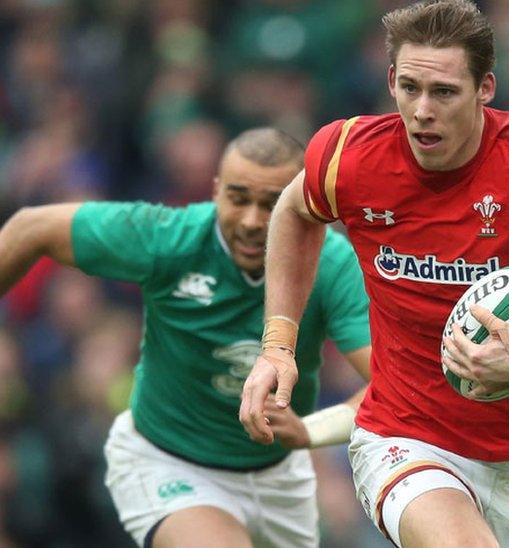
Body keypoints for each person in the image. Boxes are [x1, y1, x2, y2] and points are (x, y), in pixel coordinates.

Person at [237, 1, 509, 546]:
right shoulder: (349, 157)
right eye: (409, 88)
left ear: (486, 88)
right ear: (390, 81)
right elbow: (293, 213)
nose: (422, 110)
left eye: (445, 92)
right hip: (403, 436)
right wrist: (277, 347)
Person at [0, 127, 372, 548]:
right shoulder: (170, 238)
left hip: (280, 477)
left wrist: (310, 431)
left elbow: (393, 385)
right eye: (238, 198)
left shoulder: (332, 265)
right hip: (168, 462)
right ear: (215, 191)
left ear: (300, 203)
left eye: (271, 204)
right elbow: (31, 227)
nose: (252, 220)